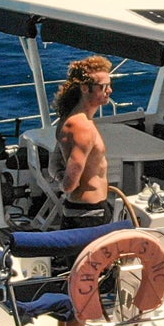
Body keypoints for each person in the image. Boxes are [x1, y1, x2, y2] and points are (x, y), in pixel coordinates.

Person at [52, 56, 115, 228]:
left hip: (82, 211)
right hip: (89, 215)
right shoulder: (83, 128)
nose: (109, 91)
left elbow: (54, 164)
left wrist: (59, 178)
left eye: (110, 85)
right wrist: (63, 183)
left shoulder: (69, 119)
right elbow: (70, 184)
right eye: (103, 87)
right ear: (85, 88)